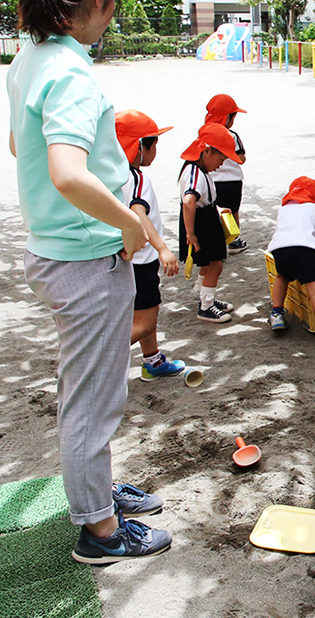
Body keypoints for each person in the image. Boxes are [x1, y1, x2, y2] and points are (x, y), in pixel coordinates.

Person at [9, 0, 170, 564]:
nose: (113, 16)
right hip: (86, 260)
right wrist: (132, 224)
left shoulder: (33, 55)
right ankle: (99, 531)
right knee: (92, 401)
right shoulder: (70, 71)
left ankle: (96, 493)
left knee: (89, 390)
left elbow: (19, 145)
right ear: (91, 6)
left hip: (56, 251)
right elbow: (67, 172)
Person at [114, 110, 186, 381]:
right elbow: (139, 214)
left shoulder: (109, 174)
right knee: (144, 322)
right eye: (154, 143)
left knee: (144, 312)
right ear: (139, 146)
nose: (156, 149)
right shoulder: (136, 178)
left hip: (121, 258)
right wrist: (162, 248)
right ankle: (95, 359)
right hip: (142, 261)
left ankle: (153, 360)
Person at [178, 123, 243, 323]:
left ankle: (207, 298)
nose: (221, 164)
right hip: (200, 224)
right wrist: (191, 233)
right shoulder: (194, 173)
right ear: (206, 151)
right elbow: (189, 201)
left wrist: (216, 208)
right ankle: (205, 306)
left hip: (206, 218)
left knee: (209, 264)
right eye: (221, 159)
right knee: (215, 265)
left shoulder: (199, 170)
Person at [266, 177, 315, 344]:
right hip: (305, 249)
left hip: (279, 249)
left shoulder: (283, 209)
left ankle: (276, 314)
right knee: (314, 293)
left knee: (281, 277)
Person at [204, 94, 248, 254]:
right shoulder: (232, 136)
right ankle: (234, 241)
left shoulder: (204, 134)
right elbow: (241, 158)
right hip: (232, 181)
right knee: (233, 210)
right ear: (228, 118)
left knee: (215, 211)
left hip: (211, 180)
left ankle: (216, 242)